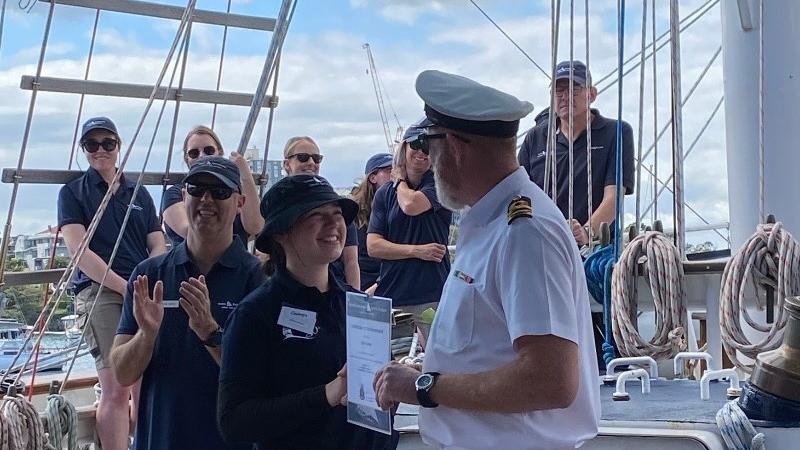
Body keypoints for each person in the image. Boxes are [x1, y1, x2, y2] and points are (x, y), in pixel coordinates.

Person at [373, 70, 600, 449]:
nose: (428, 161)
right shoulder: (489, 223)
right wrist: (426, 372)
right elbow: (487, 348)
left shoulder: (525, 232)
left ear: (456, 146)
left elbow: (550, 380)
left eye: (430, 148)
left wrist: (426, 387)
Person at [217, 174, 396, 449]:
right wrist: (327, 394)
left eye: (337, 213)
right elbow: (234, 421)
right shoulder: (255, 314)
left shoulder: (361, 306)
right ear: (281, 232)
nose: (334, 224)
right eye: (316, 214)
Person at [110, 157, 263, 450]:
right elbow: (123, 373)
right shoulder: (148, 274)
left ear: (240, 203)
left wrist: (210, 331)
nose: (206, 199)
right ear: (183, 197)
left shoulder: (257, 279)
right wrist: (146, 335)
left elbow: (258, 379)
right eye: (196, 189)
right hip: (162, 439)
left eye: (219, 192)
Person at [58, 116, 166, 450]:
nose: (101, 150)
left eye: (108, 143)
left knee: (145, 384)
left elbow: (157, 241)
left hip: (142, 290)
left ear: (119, 147)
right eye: (93, 144)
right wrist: (125, 285)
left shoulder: (138, 193)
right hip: (101, 291)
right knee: (116, 386)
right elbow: (79, 250)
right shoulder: (74, 192)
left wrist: (146, 277)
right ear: (84, 150)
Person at [518, 60, 634, 246]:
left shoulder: (616, 132)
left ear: (592, 94)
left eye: (574, 90)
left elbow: (614, 196)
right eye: (558, 91)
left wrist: (587, 232)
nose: (564, 97)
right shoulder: (536, 138)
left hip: (596, 249)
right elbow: (518, 193)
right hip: (542, 245)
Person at [367, 121, 452, 321]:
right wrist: (417, 251)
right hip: (392, 292)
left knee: (436, 351)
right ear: (404, 146)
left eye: (429, 147)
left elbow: (411, 205)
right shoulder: (384, 194)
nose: (422, 151)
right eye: (417, 144)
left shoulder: (440, 185)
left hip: (432, 294)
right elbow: (373, 246)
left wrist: (399, 181)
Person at [161, 125, 263, 247]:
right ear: (187, 158)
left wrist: (244, 175)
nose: (202, 156)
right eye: (194, 153)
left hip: (235, 263)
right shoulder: (174, 194)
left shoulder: (235, 192)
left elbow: (255, 226)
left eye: (209, 150)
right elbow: (189, 231)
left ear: (219, 153)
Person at [281, 136, 360, 288]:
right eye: (303, 158)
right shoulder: (277, 206)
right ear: (287, 164)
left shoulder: (334, 201)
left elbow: (351, 261)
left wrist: (354, 301)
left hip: (333, 289)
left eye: (317, 159)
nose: (311, 163)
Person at [351, 153, 393, 292]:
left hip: (387, 280)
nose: (395, 175)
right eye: (389, 170)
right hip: (360, 282)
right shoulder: (353, 212)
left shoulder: (398, 207)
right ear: (372, 177)